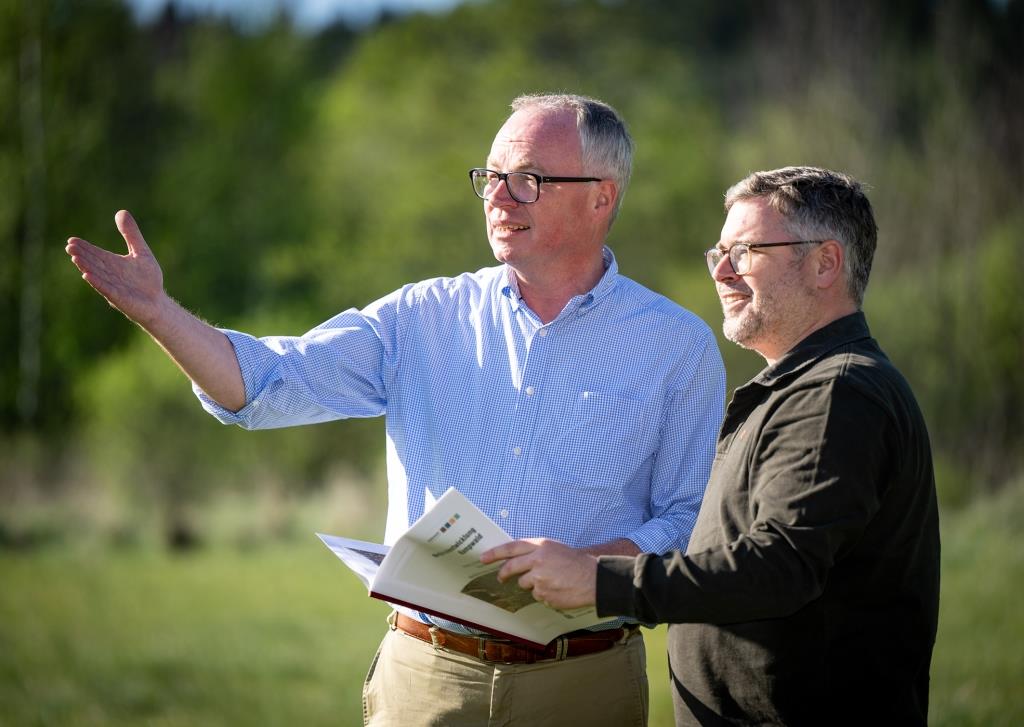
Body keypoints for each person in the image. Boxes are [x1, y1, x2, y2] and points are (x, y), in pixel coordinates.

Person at [65, 93, 726, 726]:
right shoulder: (421, 316)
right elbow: (265, 383)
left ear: (600, 196)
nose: (497, 196)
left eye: (526, 178)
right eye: (490, 176)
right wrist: (159, 314)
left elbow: (688, 519)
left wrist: (592, 570)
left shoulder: (678, 347)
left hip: (585, 681)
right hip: (426, 676)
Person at [484, 166, 941, 726]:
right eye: (718, 253)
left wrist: (598, 581)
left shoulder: (836, 394)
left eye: (746, 251)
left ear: (825, 263)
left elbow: (778, 568)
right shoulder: (805, 388)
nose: (722, 273)